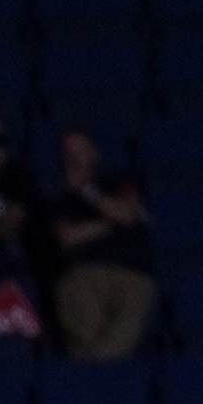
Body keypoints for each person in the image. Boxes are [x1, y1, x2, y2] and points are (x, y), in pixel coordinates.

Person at [44, 129, 157, 362]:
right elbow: (65, 237)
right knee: (80, 327)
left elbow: (125, 212)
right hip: (80, 274)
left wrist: (87, 191)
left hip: (131, 273)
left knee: (114, 341)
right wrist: (112, 223)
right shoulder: (55, 200)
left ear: (95, 154)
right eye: (69, 153)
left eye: (82, 151)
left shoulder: (122, 181)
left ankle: (88, 381)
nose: (76, 158)